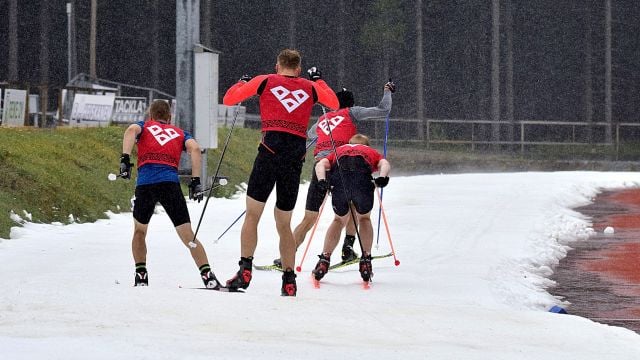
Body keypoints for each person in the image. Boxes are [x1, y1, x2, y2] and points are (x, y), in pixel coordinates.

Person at [222, 49, 339, 296]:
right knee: (284, 223)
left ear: (277, 66)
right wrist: (318, 80)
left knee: (253, 214)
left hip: (269, 150)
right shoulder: (310, 87)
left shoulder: (265, 80)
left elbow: (229, 99)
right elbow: (334, 103)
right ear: (298, 68)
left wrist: (241, 83)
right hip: (294, 156)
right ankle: (289, 280)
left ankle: (245, 269)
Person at [283, 81, 395, 268]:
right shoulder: (351, 112)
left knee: (310, 216)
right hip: (340, 164)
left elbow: (312, 135)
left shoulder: (322, 119)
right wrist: (387, 91)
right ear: (350, 104)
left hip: (321, 165)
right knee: (352, 206)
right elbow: (383, 110)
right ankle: (347, 249)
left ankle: (286, 255)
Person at [119, 99, 221, 289]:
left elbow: (131, 131)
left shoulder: (145, 126)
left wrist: (125, 159)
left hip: (146, 185)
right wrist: (195, 181)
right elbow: (196, 149)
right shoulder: (180, 133)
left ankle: (141, 274)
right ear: (169, 116)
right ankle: (208, 276)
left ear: (150, 115)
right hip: (170, 185)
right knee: (188, 234)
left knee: (140, 231)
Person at [313, 134, 391, 282]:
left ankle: (324, 259)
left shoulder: (340, 149)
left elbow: (320, 164)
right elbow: (384, 164)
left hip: (340, 182)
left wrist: (322, 180)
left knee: (338, 220)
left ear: (349, 143)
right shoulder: (370, 151)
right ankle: (366, 260)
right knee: (364, 218)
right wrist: (382, 177)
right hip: (362, 182)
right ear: (366, 144)